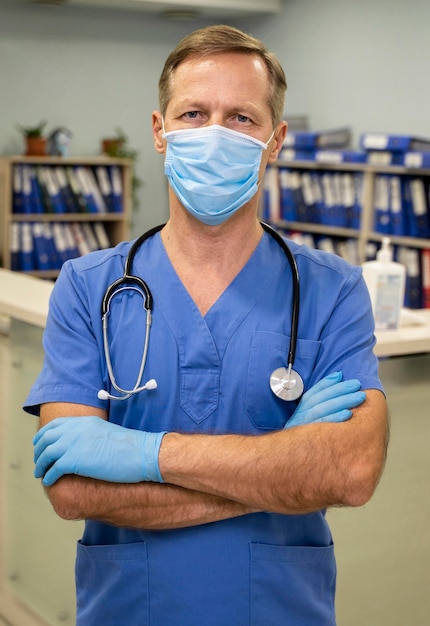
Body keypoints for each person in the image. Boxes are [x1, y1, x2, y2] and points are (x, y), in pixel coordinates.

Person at [27, 24, 389, 625]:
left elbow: (350, 472)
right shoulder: (88, 287)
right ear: (159, 132)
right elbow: (73, 490)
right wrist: (281, 463)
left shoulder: (333, 289)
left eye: (242, 118)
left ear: (275, 140)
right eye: (193, 113)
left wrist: (142, 453)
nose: (215, 134)